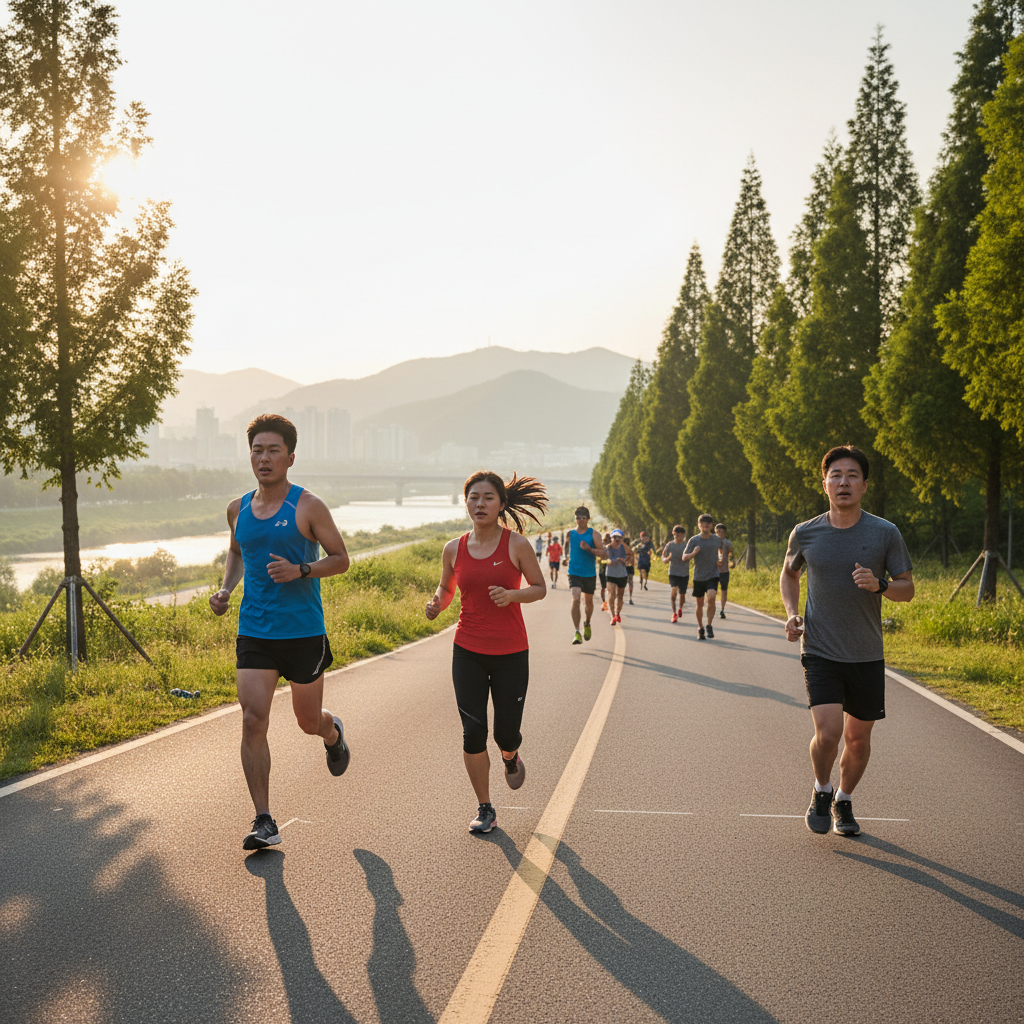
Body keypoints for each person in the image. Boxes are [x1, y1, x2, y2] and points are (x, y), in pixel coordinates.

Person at [210, 413, 352, 852]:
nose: (264, 458)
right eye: (257, 450)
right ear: (249, 455)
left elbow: (341, 558)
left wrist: (301, 569)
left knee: (308, 721)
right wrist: (225, 588)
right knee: (253, 719)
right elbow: (237, 551)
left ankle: (333, 734)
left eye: (273, 450)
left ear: (290, 457)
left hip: (303, 631)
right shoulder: (238, 509)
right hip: (255, 629)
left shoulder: (307, 506)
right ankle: (264, 819)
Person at [781, 445, 914, 837]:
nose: (844, 482)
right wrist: (791, 612)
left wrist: (881, 585)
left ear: (864, 485)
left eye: (852, 475)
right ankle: (821, 788)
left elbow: (907, 589)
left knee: (857, 739)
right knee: (828, 733)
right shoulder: (805, 532)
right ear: (824, 483)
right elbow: (789, 574)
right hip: (820, 649)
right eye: (836, 475)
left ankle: (843, 799)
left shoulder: (884, 533)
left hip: (866, 653)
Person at [425, 471, 548, 834]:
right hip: (467, 650)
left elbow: (539, 588)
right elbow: (447, 589)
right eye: (473, 497)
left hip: (511, 651)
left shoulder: (516, 545)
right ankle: (485, 807)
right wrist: (436, 604)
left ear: (501, 504)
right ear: (466, 502)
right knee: (472, 731)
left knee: (505, 733)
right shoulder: (454, 548)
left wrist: (512, 595)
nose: (480, 504)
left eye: (488, 498)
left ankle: (510, 756)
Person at [567, 506, 606, 645]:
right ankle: (577, 632)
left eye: (583, 518)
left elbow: (603, 553)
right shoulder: (570, 534)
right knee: (576, 597)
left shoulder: (594, 534)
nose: (580, 520)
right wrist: (566, 558)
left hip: (589, 573)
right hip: (574, 571)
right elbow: (568, 547)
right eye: (577, 517)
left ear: (588, 519)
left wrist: (589, 549)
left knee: (588, 603)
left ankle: (587, 623)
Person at [682, 514, 722, 639]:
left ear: (711, 526)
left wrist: (721, 558)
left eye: (708, 524)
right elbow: (684, 557)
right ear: (699, 525)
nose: (705, 526)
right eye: (702, 524)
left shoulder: (716, 539)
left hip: (712, 575)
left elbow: (720, 551)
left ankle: (709, 625)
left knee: (711, 598)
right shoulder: (694, 540)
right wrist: (694, 553)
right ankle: (700, 627)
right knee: (699, 604)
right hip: (699, 576)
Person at [660, 525, 689, 623]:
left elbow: (693, 555)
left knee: (682, 595)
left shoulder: (687, 546)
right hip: (673, 572)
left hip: (684, 573)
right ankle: (674, 613)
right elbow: (663, 557)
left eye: (681, 535)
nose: (679, 537)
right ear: (673, 534)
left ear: (684, 535)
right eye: (677, 535)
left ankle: (680, 608)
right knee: (674, 589)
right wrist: (667, 559)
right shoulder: (670, 545)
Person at [604, 529, 629, 623]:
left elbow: (630, 558)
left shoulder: (624, 547)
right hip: (610, 574)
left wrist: (624, 560)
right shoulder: (607, 548)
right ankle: (612, 616)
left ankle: (618, 614)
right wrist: (610, 561)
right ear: (611, 538)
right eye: (614, 537)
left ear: (622, 539)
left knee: (620, 596)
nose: (616, 540)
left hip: (622, 574)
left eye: (618, 538)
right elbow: (602, 560)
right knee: (612, 595)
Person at [715, 523, 734, 619]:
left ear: (724, 532)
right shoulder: (711, 541)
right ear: (715, 531)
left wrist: (732, 562)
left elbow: (730, 554)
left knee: (724, 591)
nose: (720, 533)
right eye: (718, 531)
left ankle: (722, 609)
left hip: (724, 570)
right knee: (712, 590)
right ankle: (711, 607)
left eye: (721, 531)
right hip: (713, 570)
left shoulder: (727, 543)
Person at [598, 532, 612, 611]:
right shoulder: (604, 546)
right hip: (605, 569)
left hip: (606, 569)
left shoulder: (612, 547)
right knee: (606, 588)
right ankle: (605, 603)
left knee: (605, 588)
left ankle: (606, 603)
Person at [624, 536, 636, 605]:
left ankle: (627, 597)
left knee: (623, 583)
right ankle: (630, 598)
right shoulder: (631, 550)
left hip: (625, 567)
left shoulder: (622, 550)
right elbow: (633, 561)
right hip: (630, 567)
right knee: (630, 582)